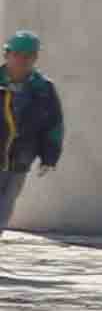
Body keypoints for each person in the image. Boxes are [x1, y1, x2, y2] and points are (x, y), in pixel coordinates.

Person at [0, 30, 59, 239]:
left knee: (5, 204)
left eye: (29, 56)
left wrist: (49, 157)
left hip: (21, 156)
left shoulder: (43, 88)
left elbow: (53, 124)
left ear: (35, 58)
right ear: (7, 55)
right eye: (18, 54)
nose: (22, 60)